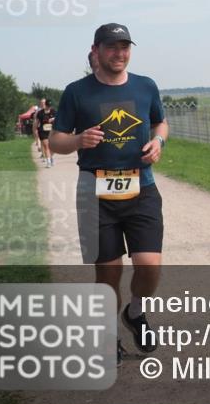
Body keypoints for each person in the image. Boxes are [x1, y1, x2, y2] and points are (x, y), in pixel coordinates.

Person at [49, 24, 169, 367]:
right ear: (96, 50)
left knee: (150, 266)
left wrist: (158, 142)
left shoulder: (146, 86)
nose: (120, 53)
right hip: (95, 193)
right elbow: (56, 140)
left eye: (124, 47)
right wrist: (77, 140)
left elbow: (160, 122)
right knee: (108, 272)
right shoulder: (76, 92)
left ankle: (135, 312)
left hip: (142, 188)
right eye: (112, 47)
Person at [35, 99, 57, 167]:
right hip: (43, 131)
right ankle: (48, 162)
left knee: (53, 147)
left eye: (50, 106)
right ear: (45, 105)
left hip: (52, 131)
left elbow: (59, 118)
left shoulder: (54, 111)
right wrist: (35, 130)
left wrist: (53, 119)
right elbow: (37, 122)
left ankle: (51, 157)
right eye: (48, 105)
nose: (49, 107)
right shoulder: (40, 113)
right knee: (46, 146)